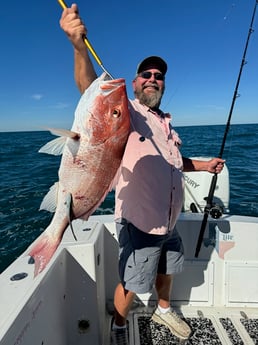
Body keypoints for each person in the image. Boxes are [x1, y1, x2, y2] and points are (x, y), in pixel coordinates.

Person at [60, 5, 225, 345]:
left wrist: (205, 166)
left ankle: (164, 310)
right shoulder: (128, 110)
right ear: (134, 83)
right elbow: (90, 89)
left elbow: (173, 161)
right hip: (139, 223)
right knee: (133, 281)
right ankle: (118, 325)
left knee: (168, 269)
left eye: (158, 75)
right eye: (146, 74)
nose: (153, 78)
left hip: (169, 220)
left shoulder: (165, 120)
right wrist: (78, 46)